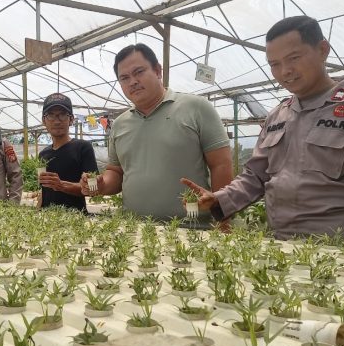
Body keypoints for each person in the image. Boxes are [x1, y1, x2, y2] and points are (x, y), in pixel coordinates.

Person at [182, 15, 344, 244]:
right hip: (280, 246)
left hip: (338, 252)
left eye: (294, 58)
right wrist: (218, 198)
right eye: (274, 64)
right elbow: (255, 177)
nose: (285, 71)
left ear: (322, 49)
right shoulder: (277, 115)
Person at [81, 43, 233, 222]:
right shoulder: (120, 124)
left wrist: (223, 219)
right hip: (134, 229)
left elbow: (221, 165)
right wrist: (101, 184)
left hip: (193, 230)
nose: (133, 82)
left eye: (139, 72)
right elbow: (116, 172)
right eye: (124, 78)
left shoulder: (196, 108)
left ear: (158, 71)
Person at [37, 92, 98, 212]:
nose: (57, 121)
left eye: (62, 115)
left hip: (75, 221)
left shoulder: (83, 148)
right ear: (44, 121)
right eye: (51, 115)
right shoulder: (43, 154)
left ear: (71, 120)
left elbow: (93, 188)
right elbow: (43, 191)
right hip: (45, 220)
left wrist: (62, 186)